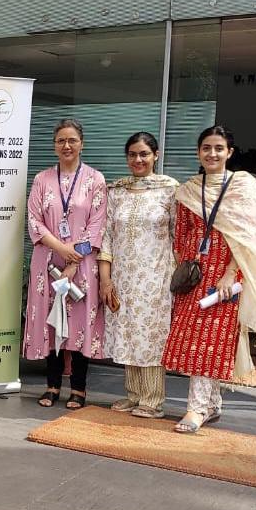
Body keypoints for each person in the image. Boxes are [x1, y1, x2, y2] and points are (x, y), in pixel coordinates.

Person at [162, 125, 256, 433]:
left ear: (229, 152)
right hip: (194, 276)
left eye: (218, 148)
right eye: (206, 147)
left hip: (226, 277)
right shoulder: (189, 190)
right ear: (199, 152)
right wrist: (187, 271)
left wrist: (229, 274)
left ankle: (195, 410)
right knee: (194, 340)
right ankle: (212, 404)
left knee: (212, 343)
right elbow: (180, 235)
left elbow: (248, 238)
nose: (212, 153)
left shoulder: (242, 186)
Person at [23, 119, 107, 409]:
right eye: (61, 140)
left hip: (81, 267)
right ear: (54, 145)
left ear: (82, 143)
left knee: (80, 323)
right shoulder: (42, 179)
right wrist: (60, 248)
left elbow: (97, 226)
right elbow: (34, 221)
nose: (67, 146)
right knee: (51, 323)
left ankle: (79, 389)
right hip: (47, 261)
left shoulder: (96, 180)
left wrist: (73, 262)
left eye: (72, 140)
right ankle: (52, 385)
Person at [98, 132, 178, 419]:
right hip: (123, 276)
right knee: (129, 332)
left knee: (151, 336)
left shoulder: (169, 190)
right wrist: (105, 280)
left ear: (155, 155)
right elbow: (107, 237)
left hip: (155, 276)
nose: (138, 159)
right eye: (132, 154)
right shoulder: (117, 191)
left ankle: (153, 399)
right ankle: (133, 394)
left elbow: (177, 237)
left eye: (144, 153)